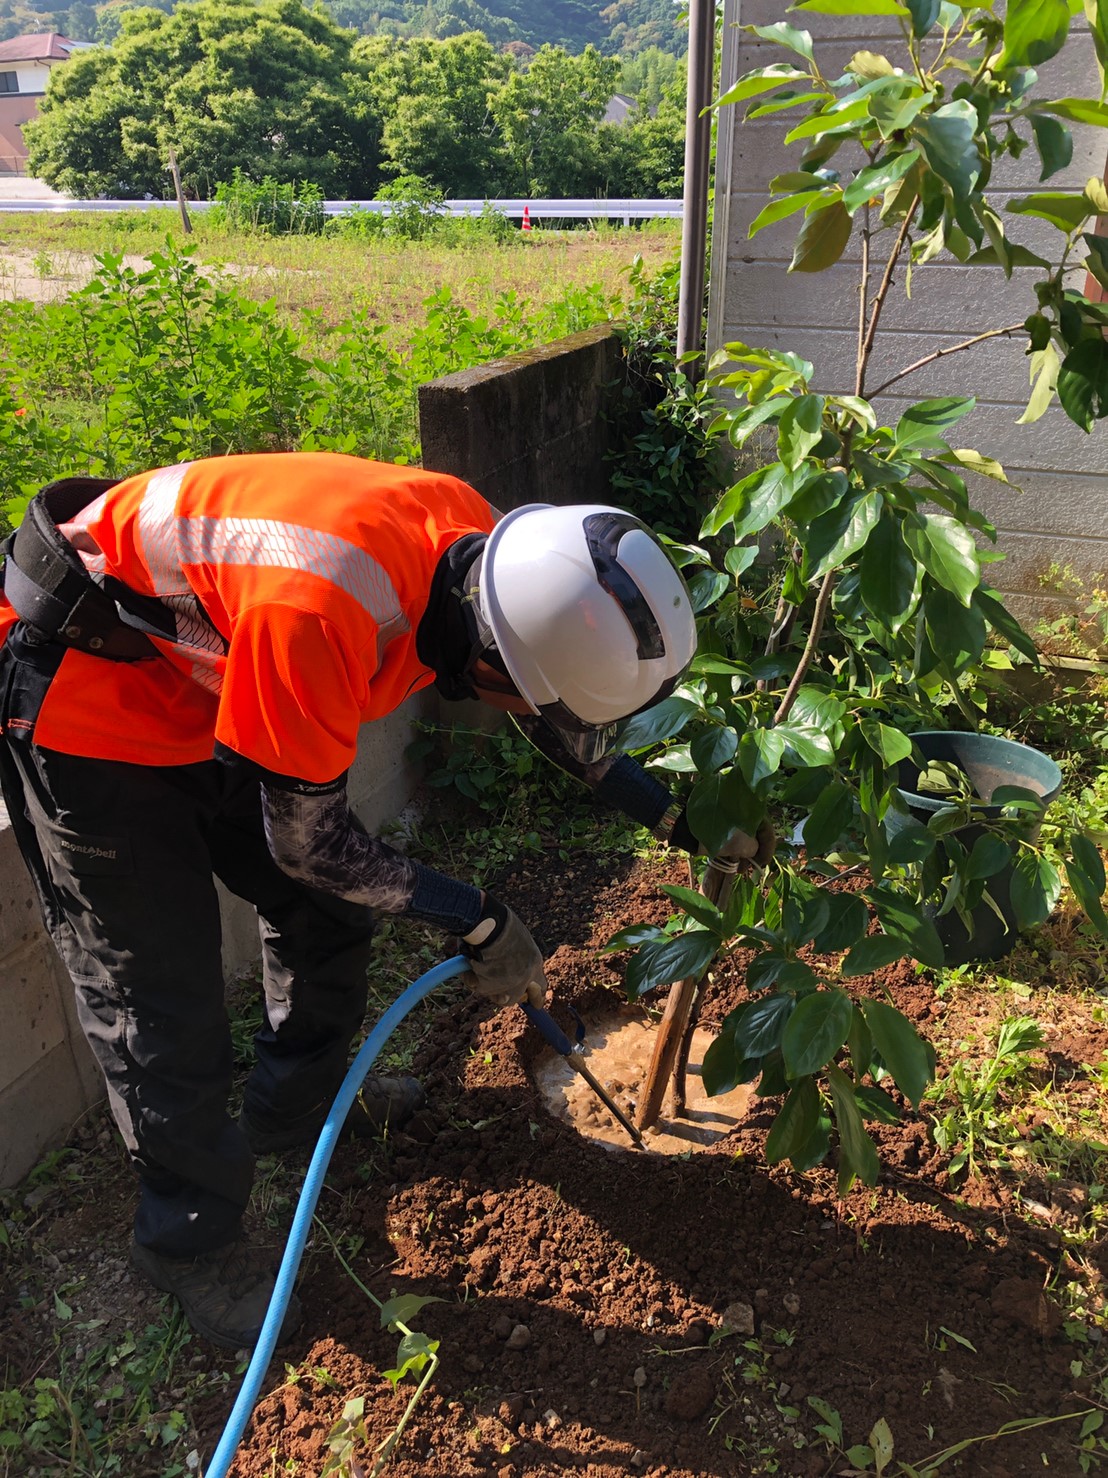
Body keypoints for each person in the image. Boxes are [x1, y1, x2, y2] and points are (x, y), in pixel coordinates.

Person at [0, 452, 763, 1350]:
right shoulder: (325, 612)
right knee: (157, 997)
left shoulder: (494, 561)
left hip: (218, 680)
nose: (528, 711)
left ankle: (296, 1109)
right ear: (490, 653)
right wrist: (476, 917)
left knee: (326, 916)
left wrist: (678, 815)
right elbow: (311, 843)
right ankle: (187, 1243)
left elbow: (545, 706)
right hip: (95, 703)